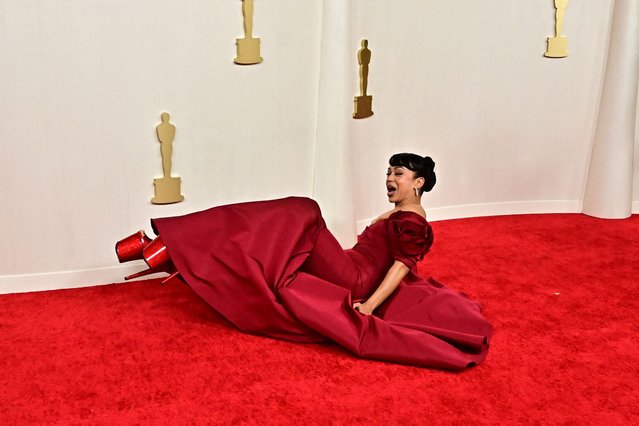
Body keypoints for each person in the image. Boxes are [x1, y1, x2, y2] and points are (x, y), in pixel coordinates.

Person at [115, 153, 492, 370]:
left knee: (304, 211)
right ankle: (174, 249)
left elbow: (401, 266)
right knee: (280, 235)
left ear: (420, 182)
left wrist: (371, 306)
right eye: (388, 172)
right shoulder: (399, 214)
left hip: (355, 279)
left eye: (399, 174)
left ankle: (172, 246)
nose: (390, 179)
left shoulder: (412, 221)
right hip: (349, 263)